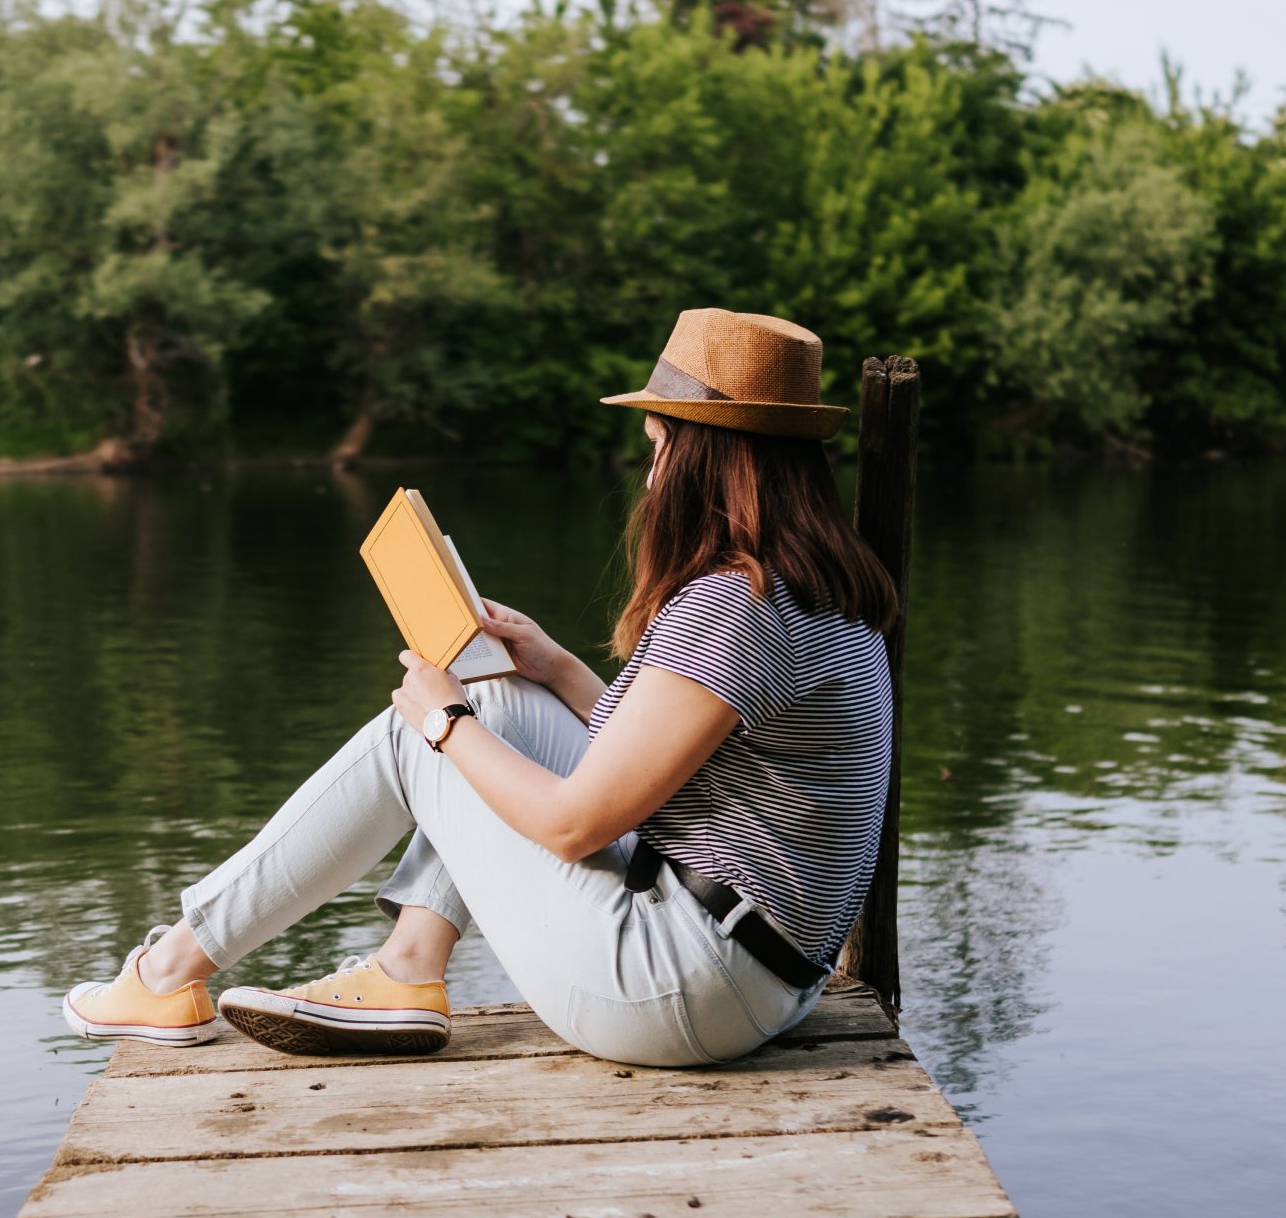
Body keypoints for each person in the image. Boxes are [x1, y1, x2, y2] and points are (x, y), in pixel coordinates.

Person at [61, 307, 899, 1067]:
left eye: (656, 449)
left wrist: (444, 726)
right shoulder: (810, 584)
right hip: (760, 977)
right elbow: (654, 761)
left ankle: (169, 971)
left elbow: (575, 824)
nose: (649, 479)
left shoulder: (737, 603)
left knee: (428, 730)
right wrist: (554, 668)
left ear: (701, 453)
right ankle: (405, 968)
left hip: (682, 989)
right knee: (496, 698)